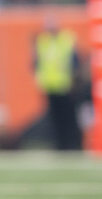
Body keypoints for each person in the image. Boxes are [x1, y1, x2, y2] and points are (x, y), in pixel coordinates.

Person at [33, 19, 81, 151]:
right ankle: (59, 145)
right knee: (54, 119)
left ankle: (71, 144)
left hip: (65, 86)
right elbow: (37, 62)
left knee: (68, 117)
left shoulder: (66, 39)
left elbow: (75, 62)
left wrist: (74, 80)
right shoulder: (42, 41)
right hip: (50, 86)